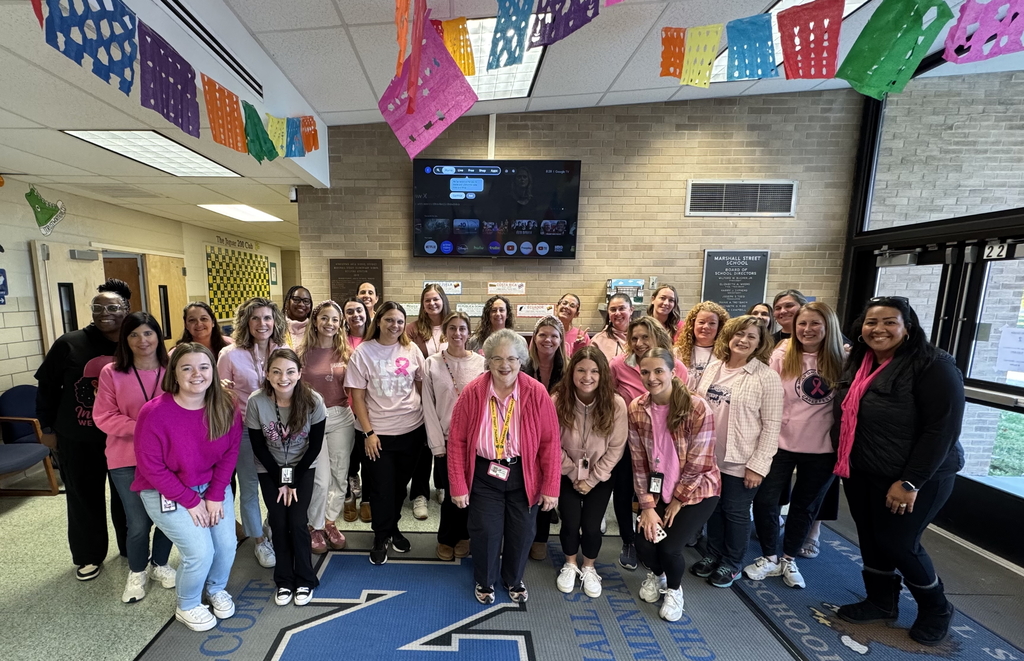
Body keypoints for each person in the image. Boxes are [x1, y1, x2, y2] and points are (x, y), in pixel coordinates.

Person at [832, 296, 964, 646]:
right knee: (872, 539)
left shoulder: (933, 365)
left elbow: (943, 430)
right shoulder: (861, 362)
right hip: (863, 469)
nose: (879, 329)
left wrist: (910, 481)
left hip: (916, 477)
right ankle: (880, 600)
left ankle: (936, 608)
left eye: (889, 321)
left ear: (908, 327)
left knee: (899, 543)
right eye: (871, 322)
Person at [447, 329, 561, 605]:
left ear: (521, 360)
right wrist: (458, 485)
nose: (504, 365)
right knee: (485, 530)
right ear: (488, 360)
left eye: (511, 358)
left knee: (522, 531)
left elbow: (550, 442)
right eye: (497, 358)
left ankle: (513, 578)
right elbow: (457, 442)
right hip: (485, 473)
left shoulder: (536, 392)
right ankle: (484, 580)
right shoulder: (473, 392)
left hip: (524, 473)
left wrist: (550, 487)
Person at [134, 343, 241, 632]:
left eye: (204, 367)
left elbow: (230, 452)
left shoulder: (226, 404)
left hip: (211, 485)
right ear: (174, 374)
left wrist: (216, 494)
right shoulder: (154, 413)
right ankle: (188, 604)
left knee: (227, 545)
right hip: (165, 490)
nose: (197, 374)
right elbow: (151, 467)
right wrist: (191, 501)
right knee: (200, 551)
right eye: (187, 368)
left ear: (213, 372)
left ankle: (216, 588)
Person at [34, 278, 132, 581]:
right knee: (82, 497)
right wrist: (47, 429)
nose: (105, 313)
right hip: (77, 437)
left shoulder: (133, 342)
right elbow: (47, 388)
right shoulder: (70, 343)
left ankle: (132, 549)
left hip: (121, 438)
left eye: (113, 308)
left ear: (126, 310)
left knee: (126, 498)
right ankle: (88, 556)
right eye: (98, 308)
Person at [744, 302, 846, 590]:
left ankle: (789, 557)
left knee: (805, 506)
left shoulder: (842, 359)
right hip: (781, 443)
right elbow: (767, 395)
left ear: (828, 327)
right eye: (802, 323)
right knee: (765, 501)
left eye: (815, 323)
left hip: (822, 447)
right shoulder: (783, 353)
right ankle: (769, 556)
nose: (807, 329)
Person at [629, 348, 720, 622]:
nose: (652, 377)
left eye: (659, 371)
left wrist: (678, 500)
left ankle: (674, 590)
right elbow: (639, 462)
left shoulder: (697, 407)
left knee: (669, 548)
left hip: (697, 491)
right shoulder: (637, 408)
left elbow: (698, 462)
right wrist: (647, 506)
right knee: (644, 543)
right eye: (645, 372)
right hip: (657, 491)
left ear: (672, 372)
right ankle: (657, 576)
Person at [693, 315, 782, 588]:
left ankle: (732, 563)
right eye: (739, 334)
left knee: (735, 512)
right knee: (714, 510)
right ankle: (713, 555)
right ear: (729, 337)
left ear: (759, 343)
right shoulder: (714, 368)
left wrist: (758, 465)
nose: (743, 340)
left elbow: (772, 426)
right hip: (709, 457)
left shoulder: (766, 377)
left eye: (751, 337)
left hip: (742, 461)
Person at [94, 312, 176, 603]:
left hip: (169, 460)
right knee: (138, 523)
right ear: (124, 339)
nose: (142, 341)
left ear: (158, 336)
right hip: (125, 459)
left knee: (169, 518)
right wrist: (145, 428)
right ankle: (137, 571)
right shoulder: (112, 372)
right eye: (134, 335)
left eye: (148, 333)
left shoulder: (172, 369)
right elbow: (103, 416)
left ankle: (161, 564)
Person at [345, 301, 427, 565]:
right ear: (378, 321)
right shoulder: (364, 353)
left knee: (398, 487)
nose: (395, 325)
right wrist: (368, 433)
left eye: (400, 321)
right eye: (389, 320)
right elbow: (357, 397)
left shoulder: (411, 349)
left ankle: (393, 528)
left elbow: (420, 386)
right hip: (376, 435)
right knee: (381, 488)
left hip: (411, 431)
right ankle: (380, 536)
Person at [246, 348, 326, 607]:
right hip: (269, 468)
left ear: (300, 373)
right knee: (279, 522)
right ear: (267, 374)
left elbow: (314, 446)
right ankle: (284, 580)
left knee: (298, 521)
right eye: (277, 371)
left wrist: (292, 480)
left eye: (290, 371)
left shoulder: (313, 401)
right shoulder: (256, 401)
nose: (284, 378)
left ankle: (305, 578)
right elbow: (258, 446)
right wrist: (281, 479)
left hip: (303, 466)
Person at [608, 316, 687, 571]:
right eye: (634, 338)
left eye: (645, 337)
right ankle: (629, 541)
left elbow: (683, 407)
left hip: (662, 448)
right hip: (626, 442)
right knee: (623, 493)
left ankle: (657, 540)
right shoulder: (618, 365)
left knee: (658, 494)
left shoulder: (676, 367)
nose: (639, 343)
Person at [553, 347, 627, 598]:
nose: (587, 376)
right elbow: (551, 443)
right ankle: (570, 563)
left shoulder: (616, 404)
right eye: (581, 369)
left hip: (601, 475)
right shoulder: (557, 401)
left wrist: (593, 478)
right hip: (566, 472)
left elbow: (616, 447)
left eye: (594, 371)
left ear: (603, 373)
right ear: (572, 371)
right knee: (571, 522)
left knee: (592, 526)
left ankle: (589, 567)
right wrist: (574, 474)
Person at [217, 297, 284, 568]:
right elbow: (220, 398)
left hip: (278, 430)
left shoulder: (282, 350)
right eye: (255, 318)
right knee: (249, 487)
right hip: (244, 430)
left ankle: (269, 524)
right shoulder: (230, 354)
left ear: (275, 321)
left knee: (278, 482)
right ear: (246, 322)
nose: (262, 323)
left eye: (267, 318)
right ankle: (258, 541)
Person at [422, 312, 486, 560]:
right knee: (450, 492)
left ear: (469, 333)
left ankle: (465, 536)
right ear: (445, 332)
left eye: (462, 328)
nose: (457, 333)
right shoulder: (432, 362)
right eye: (452, 328)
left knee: (471, 490)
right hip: (446, 439)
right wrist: (437, 444)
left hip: (475, 441)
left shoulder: (481, 364)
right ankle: (446, 537)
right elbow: (428, 404)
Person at [299, 300, 355, 553]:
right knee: (320, 479)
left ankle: (331, 522)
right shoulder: (301, 353)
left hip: (342, 416)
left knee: (340, 475)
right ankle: (315, 525)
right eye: (324, 318)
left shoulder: (347, 352)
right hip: (313, 419)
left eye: (334, 319)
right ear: (315, 320)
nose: (329, 323)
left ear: (340, 323)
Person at [523, 316, 568, 560]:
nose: (547, 340)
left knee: (547, 487)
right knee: (529, 486)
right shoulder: (523, 366)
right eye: (542, 334)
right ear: (534, 338)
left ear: (560, 340)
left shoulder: (568, 370)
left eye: (553, 335)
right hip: (526, 437)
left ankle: (540, 537)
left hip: (556, 437)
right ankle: (524, 535)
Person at [407, 284, 451, 520]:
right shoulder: (413, 329)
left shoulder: (452, 325)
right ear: (422, 304)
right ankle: (420, 494)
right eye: (427, 300)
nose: (432, 304)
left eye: (435, 299)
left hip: (446, 397)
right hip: (422, 393)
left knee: (445, 443)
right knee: (423, 447)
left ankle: (442, 486)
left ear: (443, 300)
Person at [341, 297, 370, 520]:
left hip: (371, 408)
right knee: (349, 457)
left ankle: (368, 497)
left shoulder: (374, 338)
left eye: (359, 310)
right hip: (344, 407)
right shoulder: (338, 340)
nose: (355, 315)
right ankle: (349, 494)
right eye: (349, 311)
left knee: (369, 455)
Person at [674, 301, 730, 390]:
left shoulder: (726, 354)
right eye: (701, 322)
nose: (706, 327)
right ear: (692, 324)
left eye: (712, 323)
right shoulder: (677, 353)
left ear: (719, 326)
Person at [592, 293, 633, 362]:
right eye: (613, 310)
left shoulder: (642, 338)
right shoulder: (597, 341)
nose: (617, 313)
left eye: (621, 308)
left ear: (631, 310)